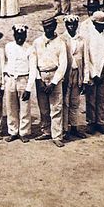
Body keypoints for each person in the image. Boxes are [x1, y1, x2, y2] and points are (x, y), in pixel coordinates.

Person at [33, 17, 68, 147]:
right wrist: (39, 80)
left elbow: (63, 64)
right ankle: (46, 131)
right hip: (41, 76)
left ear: (55, 27)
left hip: (55, 75)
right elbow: (33, 63)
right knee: (43, 107)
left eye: (51, 27)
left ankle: (57, 135)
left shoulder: (60, 42)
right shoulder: (37, 42)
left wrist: (54, 82)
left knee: (56, 107)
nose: (49, 29)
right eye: (46, 27)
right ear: (43, 28)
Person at [83, 10, 104, 134]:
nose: (101, 26)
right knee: (91, 98)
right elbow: (86, 56)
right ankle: (91, 122)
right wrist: (93, 74)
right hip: (93, 71)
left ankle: (100, 122)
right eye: (99, 24)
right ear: (94, 23)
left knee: (102, 97)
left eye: (103, 24)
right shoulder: (88, 36)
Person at [3, 24, 34, 143]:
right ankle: (13, 131)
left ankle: (24, 132)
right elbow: (5, 62)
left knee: (24, 107)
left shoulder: (29, 48)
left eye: (22, 35)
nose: (20, 38)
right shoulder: (8, 46)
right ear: (14, 35)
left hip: (23, 79)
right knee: (11, 107)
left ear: (25, 35)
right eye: (17, 35)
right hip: (10, 79)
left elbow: (32, 69)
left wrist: (28, 88)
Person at [60, 15, 86, 139]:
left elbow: (85, 57)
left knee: (75, 101)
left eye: (74, 25)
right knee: (65, 101)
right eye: (69, 25)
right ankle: (64, 128)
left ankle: (74, 126)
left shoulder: (81, 39)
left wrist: (84, 77)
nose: (71, 27)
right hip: (66, 73)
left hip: (77, 72)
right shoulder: (61, 39)